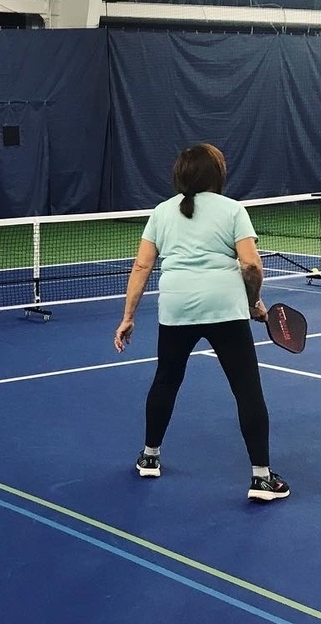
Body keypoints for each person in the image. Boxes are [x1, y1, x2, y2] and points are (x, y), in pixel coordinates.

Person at [114, 143, 288, 502]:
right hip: (225, 306)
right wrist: (254, 301)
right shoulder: (232, 210)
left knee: (166, 381)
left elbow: (142, 266)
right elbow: (252, 265)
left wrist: (128, 316)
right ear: (217, 174)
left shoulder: (161, 212)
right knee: (246, 389)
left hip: (177, 307)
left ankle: (150, 456)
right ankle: (261, 478)